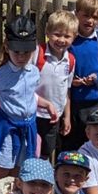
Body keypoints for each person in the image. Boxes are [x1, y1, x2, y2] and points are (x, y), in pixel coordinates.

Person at [0, 16, 53, 184]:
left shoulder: (34, 72)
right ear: (7, 48)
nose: (21, 57)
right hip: (8, 127)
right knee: (3, 165)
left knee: (20, 164)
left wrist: (47, 104)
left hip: (27, 126)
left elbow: (29, 96)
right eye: (17, 52)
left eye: (26, 52)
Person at [62, 0, 98, 152]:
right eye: (85, 15)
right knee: (70, 140)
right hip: (72, 101)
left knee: (91, 141)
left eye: (95, 17)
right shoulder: (69, 40)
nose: (90, 20)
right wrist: (71, 81)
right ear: (76, 14)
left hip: (94, 101)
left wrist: (97, 77)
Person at [35, 10, 77, 162]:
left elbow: (66, 90)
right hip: (33, 113)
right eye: (57, 35)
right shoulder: (37, 54)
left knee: (46, 151)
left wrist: (66, 116)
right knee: (31, 149)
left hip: (53, 117)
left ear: (74, 37)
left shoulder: (70, 60)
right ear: (47, 32)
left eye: (67, 36)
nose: (61, 40)